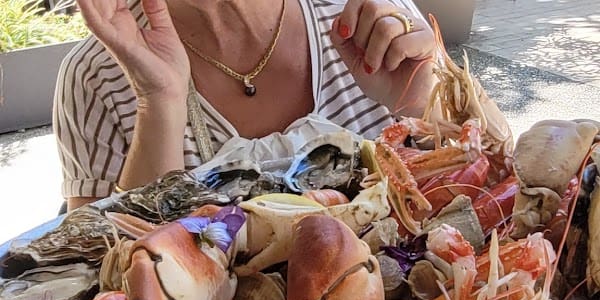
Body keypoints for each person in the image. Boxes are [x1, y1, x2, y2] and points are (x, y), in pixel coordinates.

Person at [54, 0, 438, 211]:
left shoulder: (369, 15)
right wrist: (159, 101)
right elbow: (99, 291)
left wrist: (426, 102)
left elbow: (493, 174)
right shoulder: (97, 74)